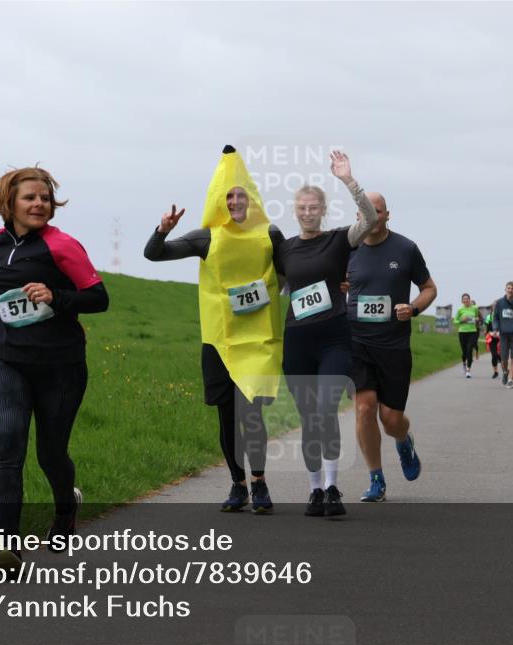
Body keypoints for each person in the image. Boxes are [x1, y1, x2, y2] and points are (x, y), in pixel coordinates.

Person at [0, 166, 110, 571]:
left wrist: (55, 295)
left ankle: (66, 509)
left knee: (50, 453)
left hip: (59, 365)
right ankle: (9, 547)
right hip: (4, 359)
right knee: (8, 445)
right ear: (8, 203)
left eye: (44, 198)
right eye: (30, 197)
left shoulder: (62, 246)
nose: (39, 204)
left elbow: (98, 298)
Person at [144, 146, 284, 514]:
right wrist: (163, 230)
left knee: (251, 413)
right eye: (229, 196)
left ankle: (259, 481)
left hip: (257, 339)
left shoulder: (270, 234)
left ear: (252, 199)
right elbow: (153, 255)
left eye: (241, 195)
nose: (235, 201)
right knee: (226, 415)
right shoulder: (207, 237)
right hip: (219, 341)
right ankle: (237, 484)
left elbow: (294, 270)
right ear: (219, 202)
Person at [277, 150, 378, 517]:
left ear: (322, 210)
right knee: (308, 417)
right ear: (295, 210)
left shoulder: (338, 240)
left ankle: (334, 487)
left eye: (313, 207)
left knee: (325, 409)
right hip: (297, 342)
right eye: (302, 207)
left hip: (334, 339)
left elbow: (369, 218)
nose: (307, 212)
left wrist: (348, 180)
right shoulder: (285, 249)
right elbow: (273, 286)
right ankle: (315, 490)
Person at [345, 192, 437, 502]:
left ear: (387, 215)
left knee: (391, 420)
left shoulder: (406, 249)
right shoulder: (347, 248)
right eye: (365, 211)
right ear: (358, 216)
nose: (371, 216)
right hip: (356, 342)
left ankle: (404, 441)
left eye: (377, 211)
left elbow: (429, 288)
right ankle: (376, 479)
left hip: (394, 345)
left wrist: (413, 308)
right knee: (364, 408)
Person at [493, 281, 513, 389]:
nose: (510, 290)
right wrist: (495, 329)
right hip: (503, 333)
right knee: (503, 358)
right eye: (508, 288)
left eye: (512, 288)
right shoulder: (500, 303)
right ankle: (505, 372)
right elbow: (496, 317)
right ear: (505, 289)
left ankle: (510, 380)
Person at [453, 294, 479, 378]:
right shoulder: (460, 309)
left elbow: (477, 317)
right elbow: (455, 321)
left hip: (472, 331)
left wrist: (477, 319)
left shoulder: (474, 308)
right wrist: (461, 320)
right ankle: (464, 363)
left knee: (469, 350)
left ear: (469, 300)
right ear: (462, 301)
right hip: (462, 332)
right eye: (464, 299)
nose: (466, 300)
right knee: (464, 352)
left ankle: (468, 370)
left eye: (467, 299)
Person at [484, 311, 501, 379]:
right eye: (493, 306)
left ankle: (505, 371)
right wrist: (487, 332)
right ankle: (495, 372)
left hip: (501, 338)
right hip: (491, 338)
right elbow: (487, 327)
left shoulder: (501, 315)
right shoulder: (488, 317)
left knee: (501, 356)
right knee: (494, 355)